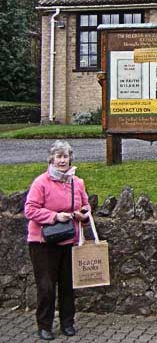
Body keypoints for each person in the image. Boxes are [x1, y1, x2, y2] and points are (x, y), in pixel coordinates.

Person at [24, 141, 90, 340]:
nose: (62, 160)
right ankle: (44, 325)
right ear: (51, 159)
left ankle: (67, 323)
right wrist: (54, 216)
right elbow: (30, 209)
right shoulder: (41, 182)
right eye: (59, 156)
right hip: (43, 242)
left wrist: (83, 214)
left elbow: (86, 205)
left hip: (69, 239)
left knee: (68, 285)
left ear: (71, 159)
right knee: (46, 286)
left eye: (66, 156)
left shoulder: (77, 182)